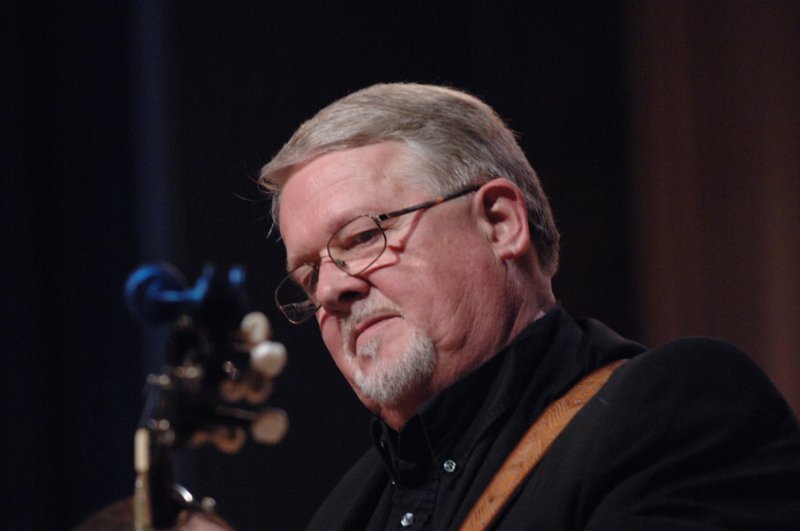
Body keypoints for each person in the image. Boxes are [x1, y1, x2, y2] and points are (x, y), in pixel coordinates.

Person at [259, 83, 800, 530]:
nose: (329, 290)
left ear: (500, 223)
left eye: (361, 238)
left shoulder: (672, 411)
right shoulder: (343, 512)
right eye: (308, 275)